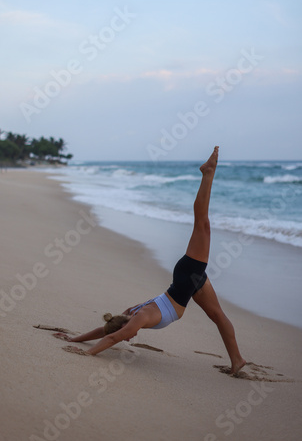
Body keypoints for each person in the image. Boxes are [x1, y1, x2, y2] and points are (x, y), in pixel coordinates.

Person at [54, 147, 246, 374]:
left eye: (130, 334)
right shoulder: (128, 313)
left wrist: (86, 352)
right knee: (218, 316)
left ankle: (208, 173)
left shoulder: (137, 319)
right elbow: (107, 330)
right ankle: (237, 361)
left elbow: (114, 336)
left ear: (127, 324)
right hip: (188, 283)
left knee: (201, 222)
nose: (131, 337)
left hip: (186, 278)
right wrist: (75, 339)